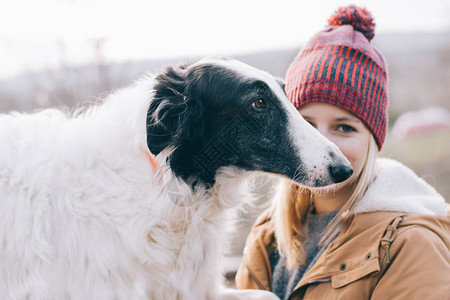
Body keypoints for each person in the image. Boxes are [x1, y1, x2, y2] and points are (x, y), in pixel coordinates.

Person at [235, 5, 450, 300]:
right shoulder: (267, 236)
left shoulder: (411, 244)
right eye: (305, 124)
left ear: (373, 140)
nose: (322, 145)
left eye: (344, 127)